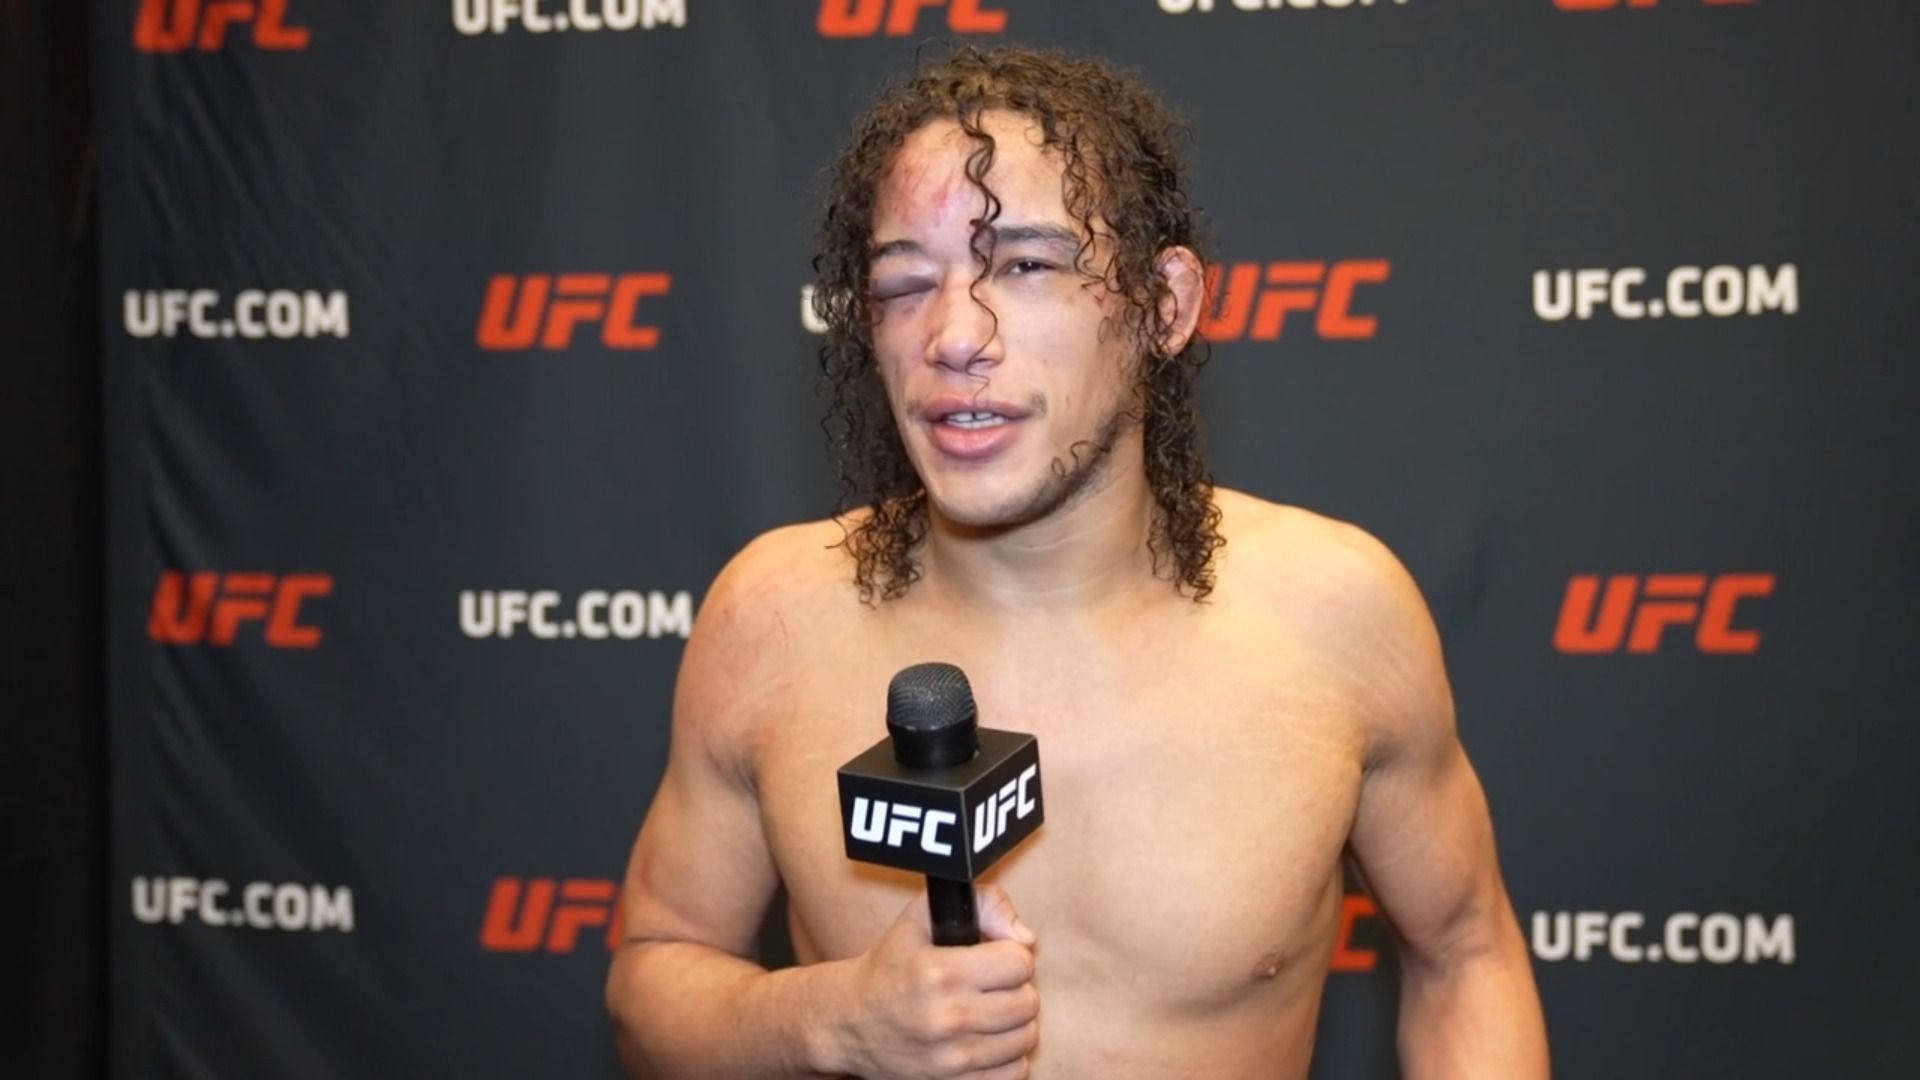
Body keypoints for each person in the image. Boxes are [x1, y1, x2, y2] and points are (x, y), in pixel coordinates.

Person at [605, 44, 1548, 1079]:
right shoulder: (774, 618)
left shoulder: (1334, 611)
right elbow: (654, 975)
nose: (953, 334)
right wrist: (833, 1019)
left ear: (1165, 306)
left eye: (1025, 266)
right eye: (903, 283)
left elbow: (1467, 952)